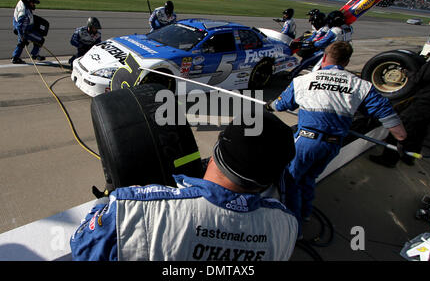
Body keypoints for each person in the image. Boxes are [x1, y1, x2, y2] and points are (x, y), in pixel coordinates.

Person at [70, 112, 299, 261]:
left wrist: (108, 199)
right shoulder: (287, 225)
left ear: (217, 152)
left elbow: (81, 247)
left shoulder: (133, 209)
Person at [266, 41, 407, 235]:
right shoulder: (361, 85)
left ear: (324, 57)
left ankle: (292, 229)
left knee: (289, 181)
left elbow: (280, 105)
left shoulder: (304, 81)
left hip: (307, 141)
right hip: (332, 146)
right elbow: (389, 116)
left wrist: (269, 106)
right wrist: (401, 140)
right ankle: (305, 214)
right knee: (308, 179)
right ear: (347, 62)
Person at [369, 59, 430, 168]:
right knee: (420, 129)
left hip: (426, 102)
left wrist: (405, 72)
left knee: (400, 125)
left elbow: (419, 78)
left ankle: (388, 159)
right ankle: (409, 157)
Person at [12, 0, 45, 64]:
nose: (33, 4)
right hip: (26, 30)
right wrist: (22, 37)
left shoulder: (22, 3)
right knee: (40, 40)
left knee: (22, 43)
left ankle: (15, 57)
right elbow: (20, 27)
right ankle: (34, 55)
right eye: (32, 3)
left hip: (22, 25)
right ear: (27, 2)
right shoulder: (23, 13)